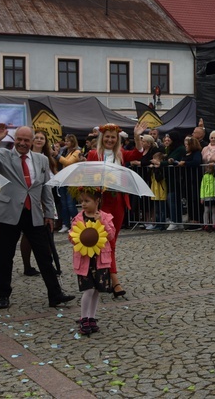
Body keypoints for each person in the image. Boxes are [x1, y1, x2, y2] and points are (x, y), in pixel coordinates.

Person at [0, 124, 74, 309]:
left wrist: (49, 212)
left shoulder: (41, 160)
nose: (22, 143)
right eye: (19, 139)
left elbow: (46, 187)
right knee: (5, 257)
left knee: (44, 256)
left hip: (34, 213)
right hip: (9, 212)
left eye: (26, 140)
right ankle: (3, 295)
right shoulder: (3, 155)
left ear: (31, 141)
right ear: (15, 140)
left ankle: (55, 294)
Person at [86, 122, 145, 299]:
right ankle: (114, 281)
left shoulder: (121, 155)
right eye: (108, 136)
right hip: (101, 202)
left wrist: (136, 136)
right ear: (102, 138)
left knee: (112, 241)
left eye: (113, 137)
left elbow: (138, 153)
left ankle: (107, 277)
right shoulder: (93, 154)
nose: (110, 140)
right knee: (101, 242)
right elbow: (89, 178)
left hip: (117, 201)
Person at [70, 190, 115, 336]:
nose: (83, 204)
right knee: (88, 289)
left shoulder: (105, 217)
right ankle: (84, 318)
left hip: (100, 259)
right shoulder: (78, 218)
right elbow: (71, 236)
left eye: (87, 201)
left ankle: (92, 317)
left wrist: (102, 221)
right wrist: (78, 238)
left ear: (97, 201)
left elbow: (111, 235)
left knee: (96, 290)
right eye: (81, 201)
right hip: (85, 260)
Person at [21, 130, 61, 277]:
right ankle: (27, 266)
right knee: (28, 234)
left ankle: (49, 265)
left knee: (48, 233)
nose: (38, 140)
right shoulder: (25, 158)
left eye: (41, 138)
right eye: (36, 137)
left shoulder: (48, 159)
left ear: (45, 141)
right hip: (31, 201)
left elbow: (51, 178)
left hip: (47, 199)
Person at [56, 134, 81, 233]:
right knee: (64, 204)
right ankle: (66, 224)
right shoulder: (65, 151)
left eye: (68, 141)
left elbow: (68, 162)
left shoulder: (77, 151)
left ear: (73, 142)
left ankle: (76, 224)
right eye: (65, 141)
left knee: (71, 204)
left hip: (72, 180)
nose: (66, 143)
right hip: (63, 179)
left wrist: (57, 155)